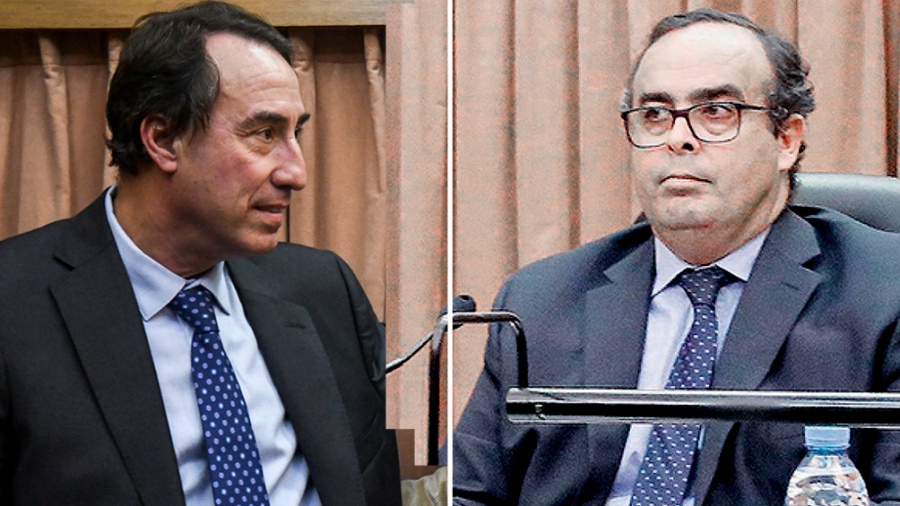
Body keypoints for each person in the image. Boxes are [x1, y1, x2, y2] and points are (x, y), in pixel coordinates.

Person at [453, 8, 900, 506]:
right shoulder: (541, 300)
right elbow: (462, 492)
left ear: (786, 140)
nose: (677, 137)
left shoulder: (884, 292)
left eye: (717, 112)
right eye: (654, 114)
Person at [0, 2, 400, 504]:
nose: (296, 173)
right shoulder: (14, 306)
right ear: (163, 139)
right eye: (264, 134)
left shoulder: (325, 290)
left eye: (295, 133)